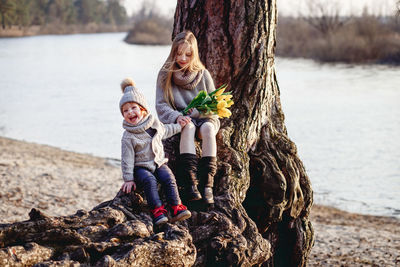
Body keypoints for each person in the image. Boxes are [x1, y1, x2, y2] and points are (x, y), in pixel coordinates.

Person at [156, 30, 219, 205]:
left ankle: (207, 185)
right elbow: (161, 105)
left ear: (194, 54)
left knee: (208, 129)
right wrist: (177, 117)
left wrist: (200, 112)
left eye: (188, 54)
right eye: (179, 53)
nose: (183, 58)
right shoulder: (165, 74)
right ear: (173, 52)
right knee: (189, 127)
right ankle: (191, 184)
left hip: (205, 118)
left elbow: (213, 105)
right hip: (181, 121)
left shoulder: (203, 75)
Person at [119, 78, 191, 226]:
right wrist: (128, 179)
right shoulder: (128, 136)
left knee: (168, 177)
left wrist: (179, 126)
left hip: (158, 162)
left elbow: (166, 131)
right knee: (149, 181)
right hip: (141, 167)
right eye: (125, 110)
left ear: (143, 110)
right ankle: (158, 211)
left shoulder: (154, 123)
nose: (130, 112)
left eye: (133, 108)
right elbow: (127, 159)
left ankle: (177, 207)